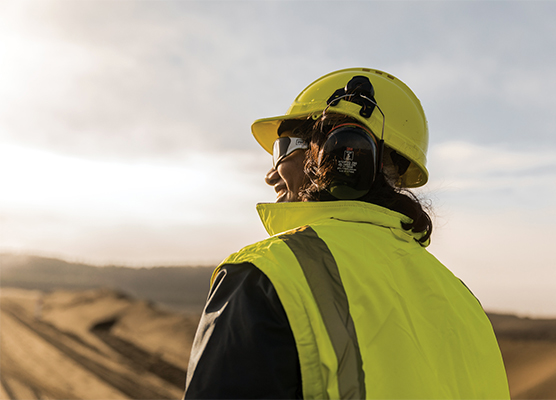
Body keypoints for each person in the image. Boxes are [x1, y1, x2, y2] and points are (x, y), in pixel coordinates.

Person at [184, 68, 510, 399]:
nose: (271, 174)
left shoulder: (267, 275)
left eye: (284, 148)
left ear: (339, 152)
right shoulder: (465, 303)